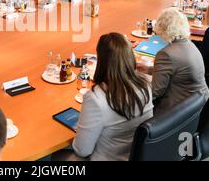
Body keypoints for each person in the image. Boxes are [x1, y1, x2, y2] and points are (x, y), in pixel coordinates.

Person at [56, 33, 153, 161]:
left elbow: (82, 150)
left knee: (58, 155)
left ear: (101, 60)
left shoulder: (96, 98)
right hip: (136, 156)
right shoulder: (146, 85)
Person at [137, 8, 209, 113]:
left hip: (176, 110)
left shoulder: (165, 54)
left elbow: (155, 91)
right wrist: (148, 69)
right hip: (196, 105)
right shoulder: (190, 45)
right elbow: (177, 70)